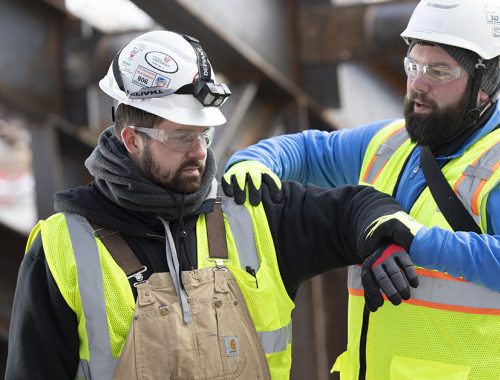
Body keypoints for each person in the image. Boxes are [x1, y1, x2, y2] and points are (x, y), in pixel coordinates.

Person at [4, 31, 424, 380]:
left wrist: (381, 235)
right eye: (181, 137)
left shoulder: (252, 212)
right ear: (132, 139)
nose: (200, 152)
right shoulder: (62, 249)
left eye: (204, 135)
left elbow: (354, 207)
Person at [223, 0, 500, 378]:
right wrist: (253, 162)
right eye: (413, 65)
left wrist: (420, 242)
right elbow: (305, 150)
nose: (418, 84)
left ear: (488, 82)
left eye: (439, 71)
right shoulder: (390, 144)